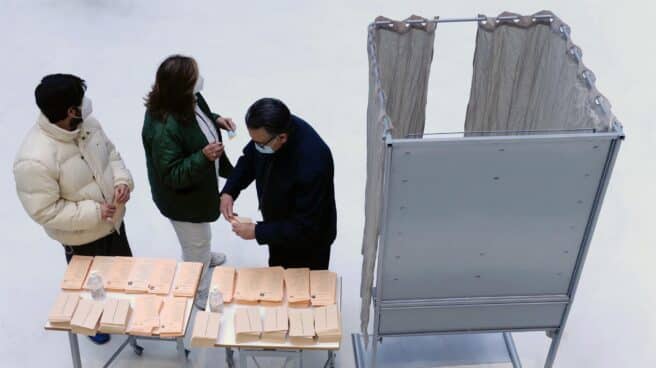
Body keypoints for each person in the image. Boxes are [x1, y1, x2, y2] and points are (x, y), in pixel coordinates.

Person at [13, 74, 134, 345]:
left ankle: (124, 313)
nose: (87, 104)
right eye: (81, 101)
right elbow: (45, 211)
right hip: (83, 240)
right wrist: (95, 212)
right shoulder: (34, 159)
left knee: (126, 277)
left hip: (114, 224)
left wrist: (122, 181)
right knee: (94, 292)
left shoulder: (88, 125)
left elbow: (112, 156)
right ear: (70, 110)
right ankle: (95, 325)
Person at [142, 55, 235, 310]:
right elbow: (172, 175)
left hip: (199, 189)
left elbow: (198, 115)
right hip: (182, 200)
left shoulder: (188, 99)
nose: (200, 81)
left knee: (200, 237)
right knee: (196, 242)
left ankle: (202, 255)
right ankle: (198, 289)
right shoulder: (164, 128)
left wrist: (214, 119)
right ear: (181, 87)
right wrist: (202, 157)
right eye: (194, 78)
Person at [220, 98, 336, 270]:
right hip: (278, 230)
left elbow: (306, 227)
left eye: (259, 143)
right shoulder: (271, 133)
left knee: (302, 290)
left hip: (308, 244)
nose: (256, 146)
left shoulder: (313, 162)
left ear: (282, 137)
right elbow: (249, 159)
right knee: (278, 275)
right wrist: (229, 190)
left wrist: (257, 232)